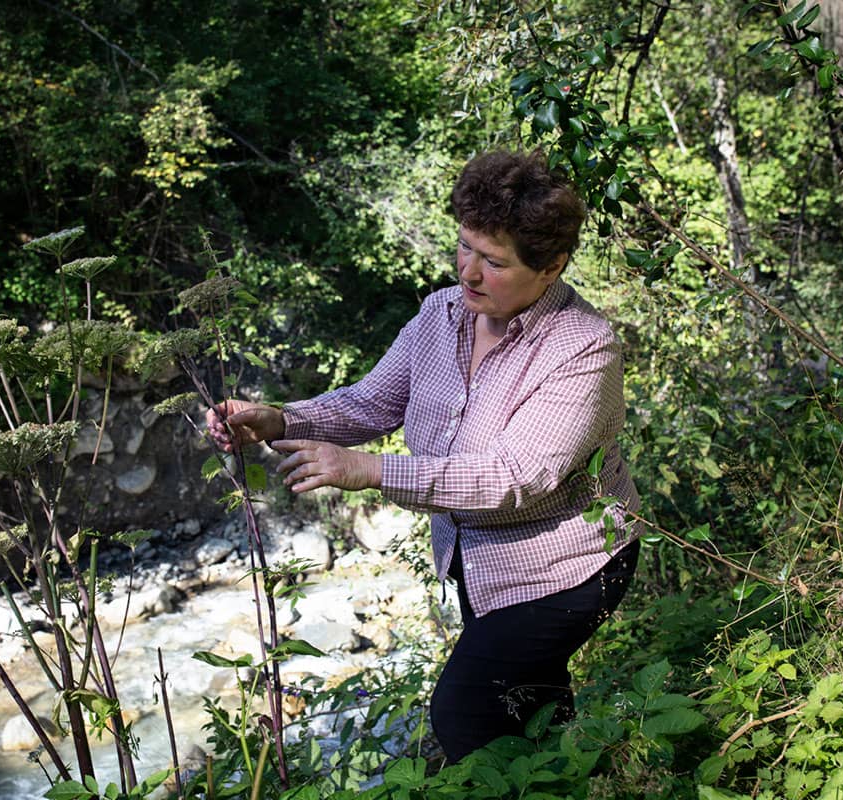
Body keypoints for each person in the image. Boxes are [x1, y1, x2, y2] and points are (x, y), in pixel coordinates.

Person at [205, 150, 640, 763]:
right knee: (528, 705)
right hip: (478, 560)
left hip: (569, 565)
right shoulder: (439, 315)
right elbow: (370, 403)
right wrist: (277, 419)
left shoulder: (583, 346)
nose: (468, 273)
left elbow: (518, 476)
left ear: (551, 268)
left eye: (493, 262)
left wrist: (368, 469)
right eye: (464, 248)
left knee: (463, 713)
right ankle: (580, 774)